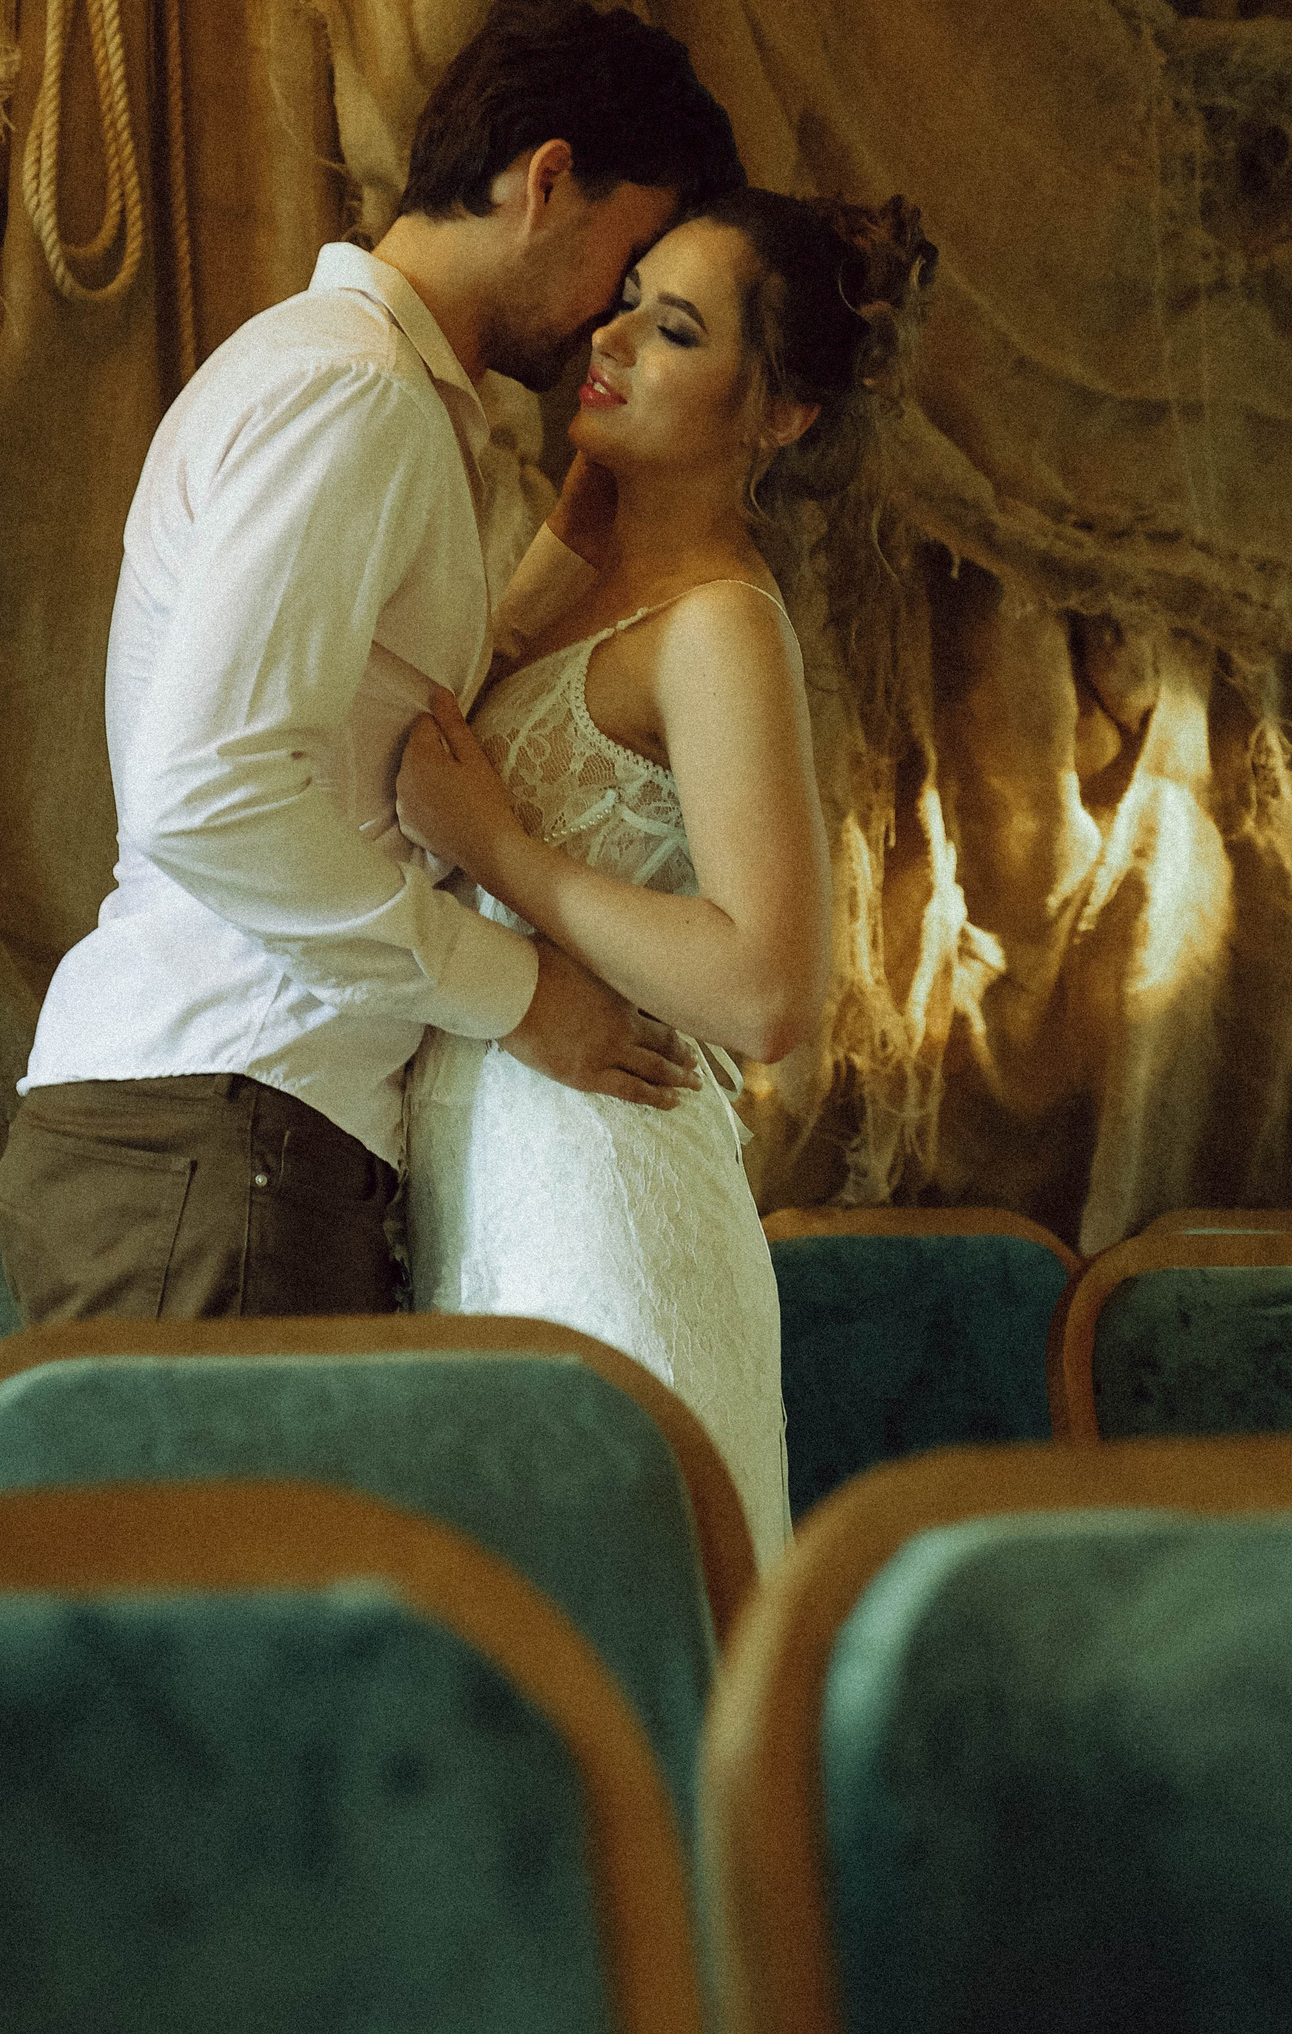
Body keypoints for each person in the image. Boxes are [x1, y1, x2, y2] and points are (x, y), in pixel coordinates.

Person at [0, 0, 743, 1326]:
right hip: (226, 1120)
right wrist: (516, 992)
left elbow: (370, 728)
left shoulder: (363, 388)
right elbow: (206, 796)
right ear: (547, 181)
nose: (610, 325)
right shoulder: (357, 394)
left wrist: (579, 540)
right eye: (626, 263)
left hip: (230, 1125)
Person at [396, 189, 933, 1563]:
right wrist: (582, 518)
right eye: (627, 297)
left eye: (676, 329)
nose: (614, 337)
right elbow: (464, 705)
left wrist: (502, 850)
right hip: (487, 1191)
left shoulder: (722, 628)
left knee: (624, 1646)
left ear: (781, 415)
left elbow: (769, 992)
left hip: (611, 1213)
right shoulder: (590, 580)